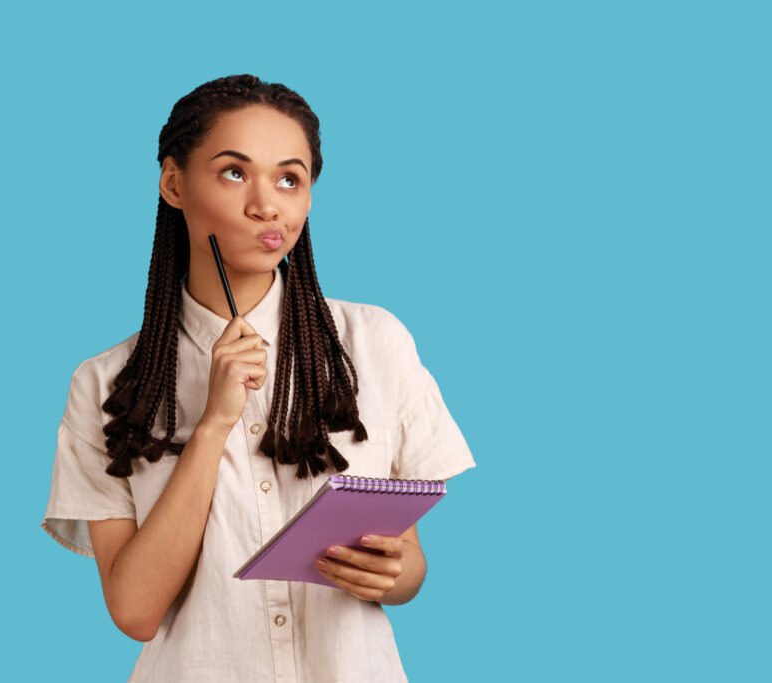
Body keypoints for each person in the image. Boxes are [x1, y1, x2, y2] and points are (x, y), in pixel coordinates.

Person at [40, 74, 475, 682]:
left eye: (290, 179)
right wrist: (213, 424)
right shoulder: (105, 383)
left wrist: (395, 573)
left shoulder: (373, 342)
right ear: (173, 183)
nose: (267, 204)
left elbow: (409, 569)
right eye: (235, 172)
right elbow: (135, 610)